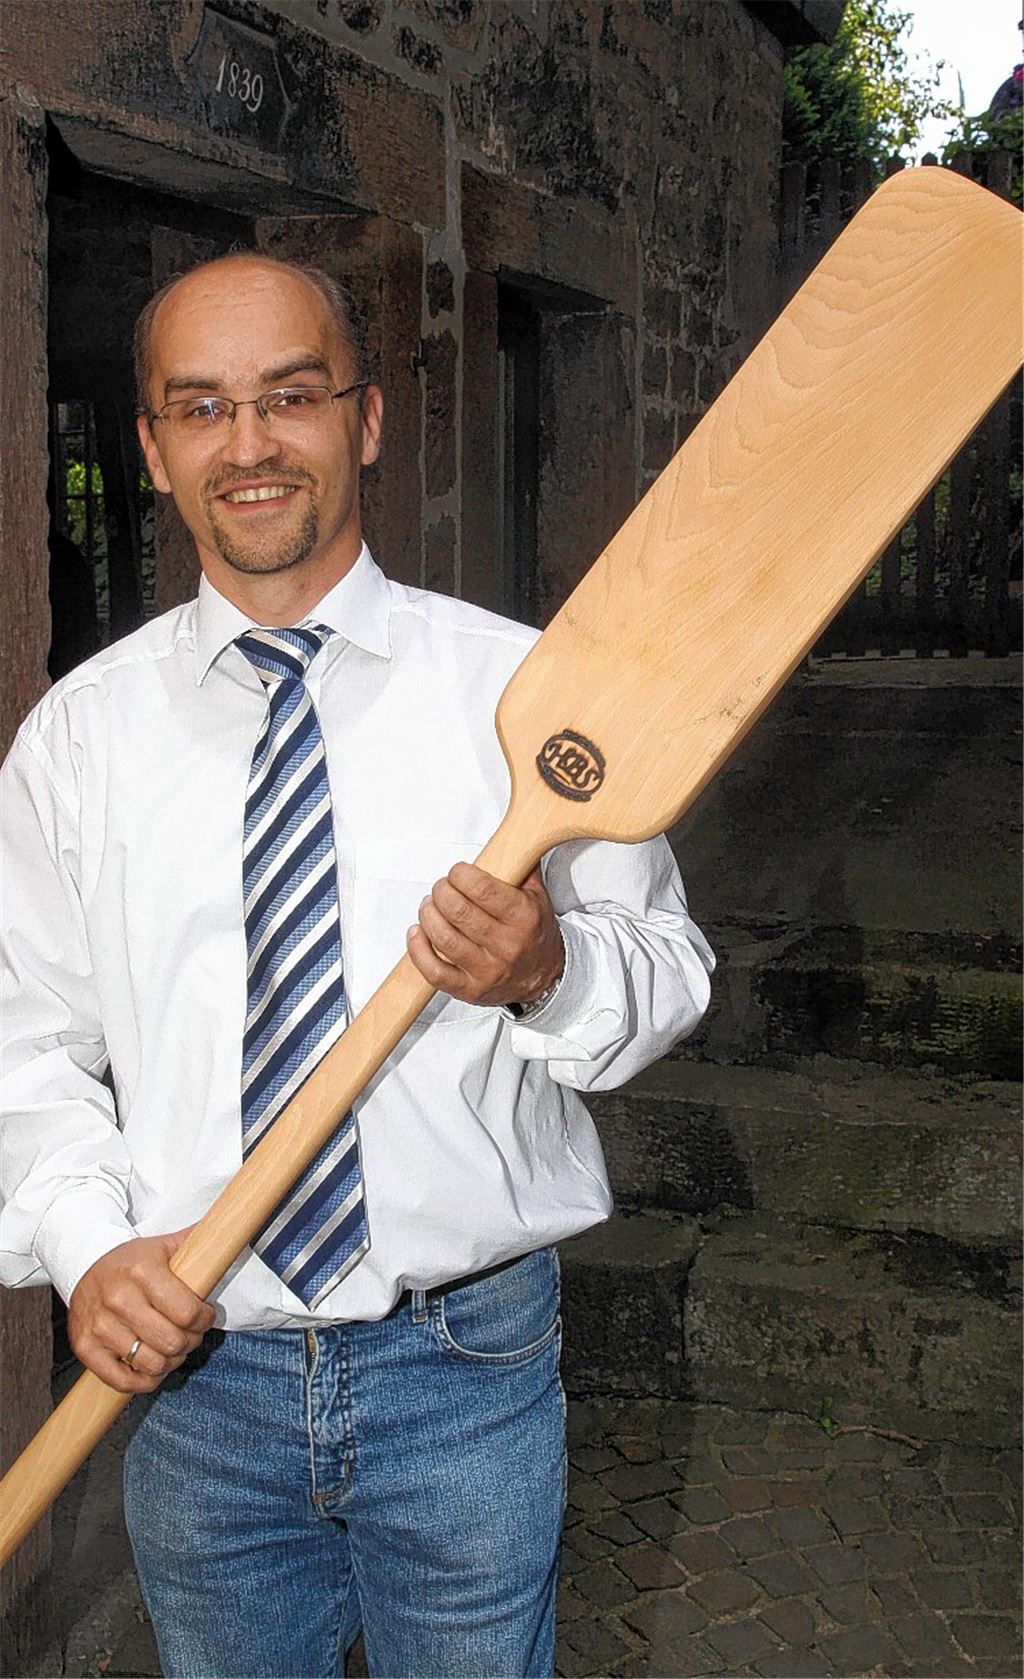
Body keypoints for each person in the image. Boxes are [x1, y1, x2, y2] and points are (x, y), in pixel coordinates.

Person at [0, 252, 714, 1679]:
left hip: (465, 1381)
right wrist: (90, 1248)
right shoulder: (78, 741)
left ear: (366, 419)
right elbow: (25, 1046)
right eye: (203, 407)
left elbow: (671, 971)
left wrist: (548, 971)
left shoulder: (526, 699)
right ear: (153, 446)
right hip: (201, 1385)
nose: (249, 444)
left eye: (291, 396)